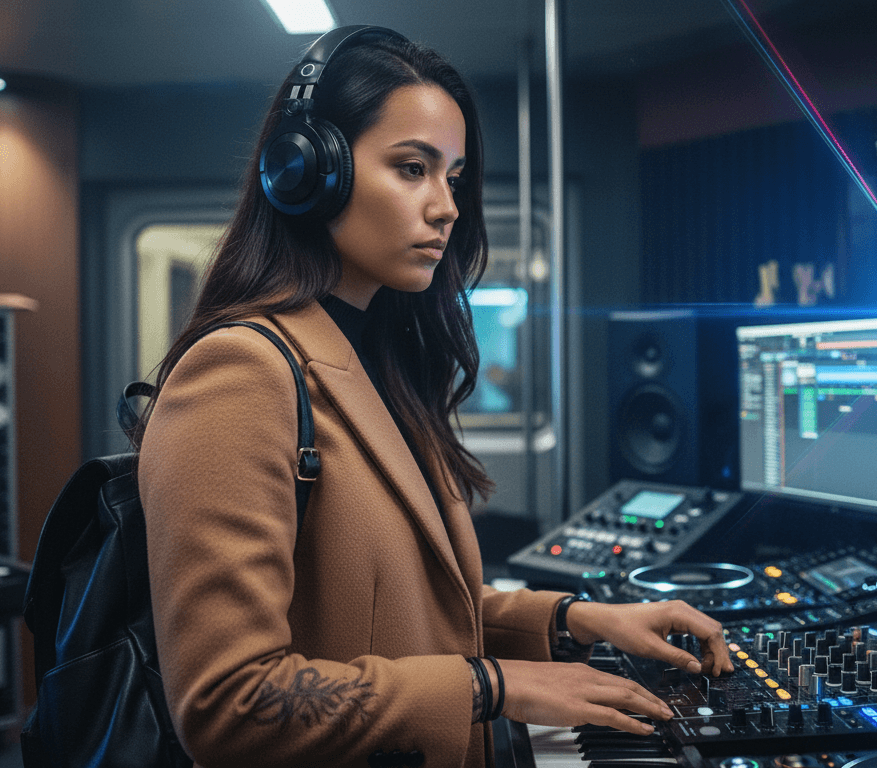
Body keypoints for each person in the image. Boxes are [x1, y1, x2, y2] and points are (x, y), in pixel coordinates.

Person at [134, 25, 733, 768]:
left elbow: (414, 619)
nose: (446, 206)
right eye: (412, 168)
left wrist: (581, 622)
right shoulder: (238, 372)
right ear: (307, 172)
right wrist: (490, 687)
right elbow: (232, 705)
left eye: (452, 177)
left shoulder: (375, 361)